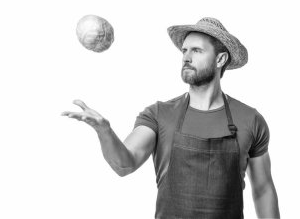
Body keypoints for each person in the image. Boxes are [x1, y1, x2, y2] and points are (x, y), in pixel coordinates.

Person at [62, 17, 280, 219]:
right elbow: (124, 165)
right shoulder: (159, 114)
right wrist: (104, 131)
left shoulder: (250, 119)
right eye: (184, 50)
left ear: (220, 59)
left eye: (196, 50)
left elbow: (263, 189)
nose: (186, 57)